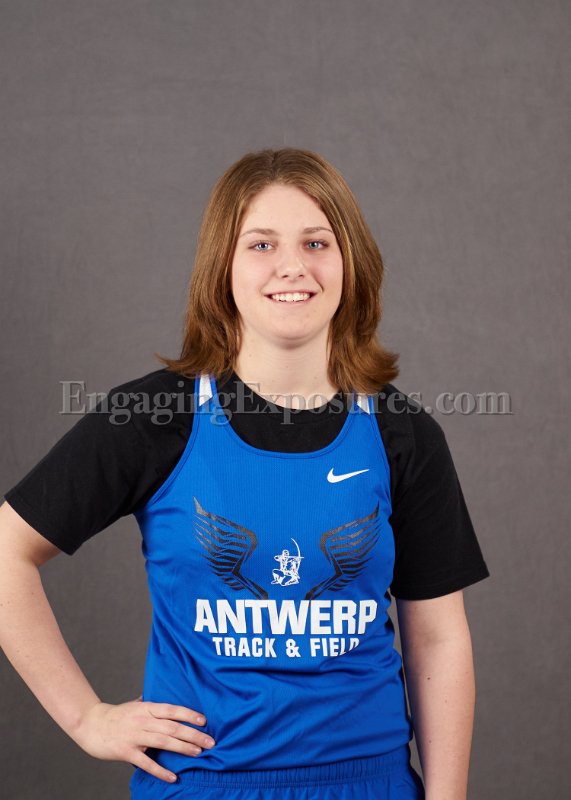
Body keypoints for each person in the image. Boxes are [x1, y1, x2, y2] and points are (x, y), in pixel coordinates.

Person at [0, 147, 490, 799]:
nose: (293, 266)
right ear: (222, 267)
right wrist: (85, 718)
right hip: (203, 783)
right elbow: (6, 552)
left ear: (350, 261)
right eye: (261, 244)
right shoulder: (153, 417)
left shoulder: (401, 434)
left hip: (367, 783)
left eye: (316, 242)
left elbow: (437, 638)